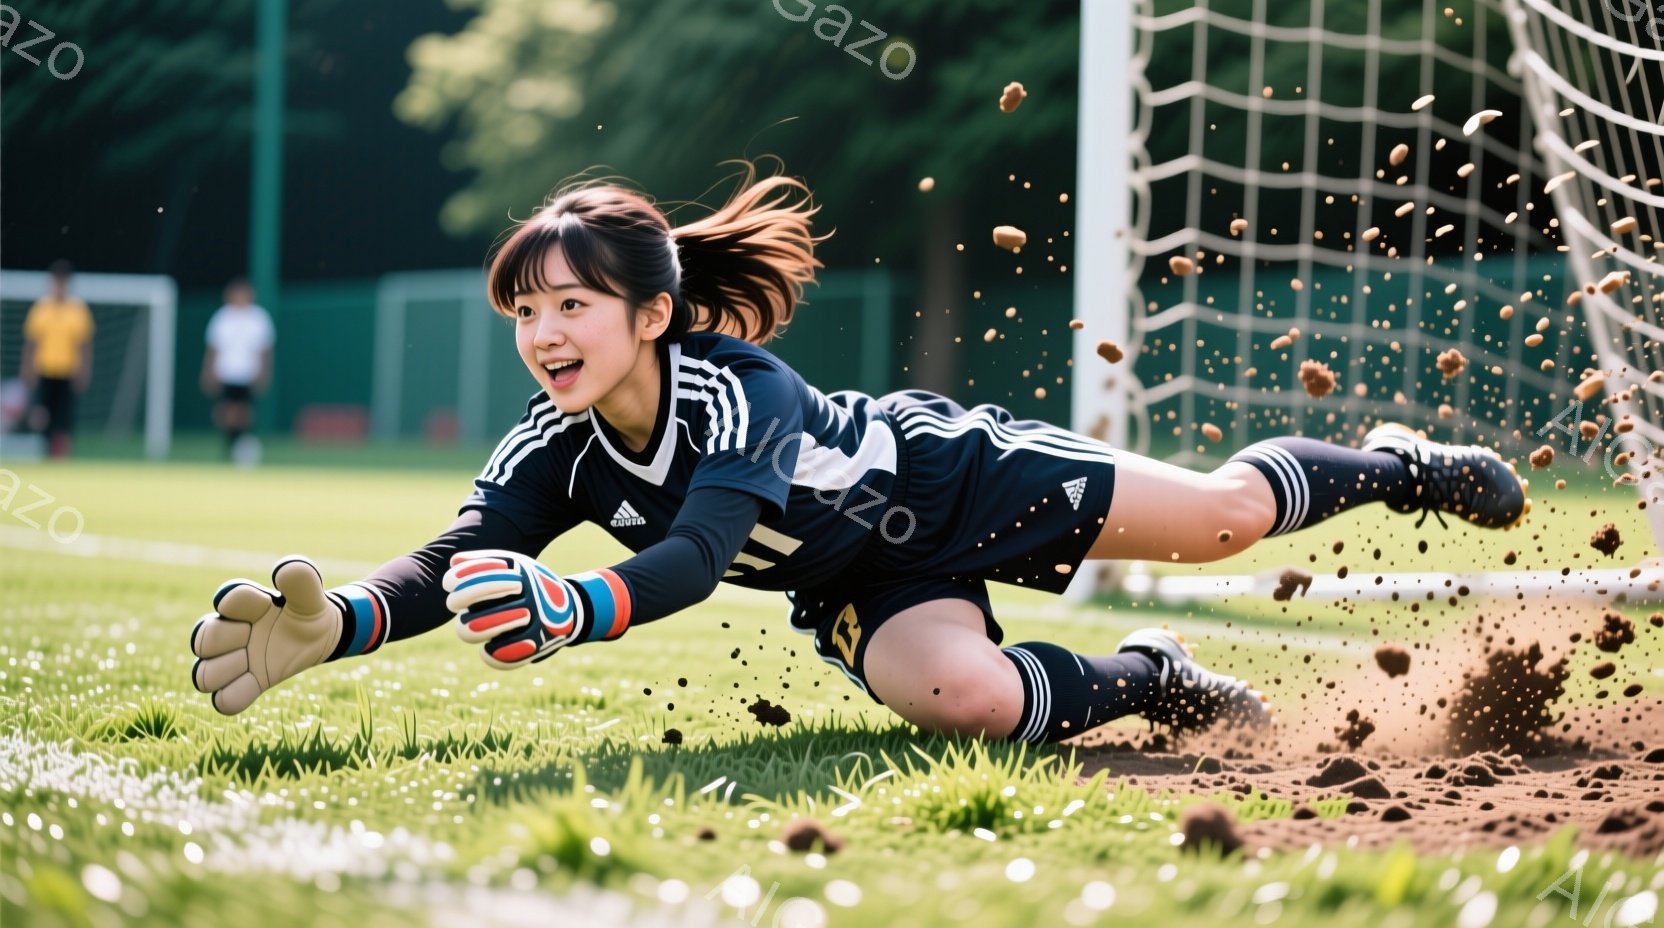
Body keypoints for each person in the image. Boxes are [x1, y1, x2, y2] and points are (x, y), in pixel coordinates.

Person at [189, 165, 1528, 744]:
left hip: (953, 477)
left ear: (653, 315)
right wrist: (351, 620)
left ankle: (1402, 463)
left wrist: (584, 603)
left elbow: (701, 554)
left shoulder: (741, 389)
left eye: (572, 306)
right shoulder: (554, 442)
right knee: (970, 706)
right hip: (863, 584)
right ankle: (1152, 677)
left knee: (1230, 519)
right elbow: (462, 558)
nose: (544, 333)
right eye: (526, 311)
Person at [21, 260, 95, 459]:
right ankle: (45, 453)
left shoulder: (77, 311)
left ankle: (62, 457)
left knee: (65, 418)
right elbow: (32, 343)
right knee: (42, 416)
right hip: (45, 370)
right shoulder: (41, 309)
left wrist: (84, 371)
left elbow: (84, 345)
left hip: (68, 371)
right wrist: (27, 370)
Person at [201, 278, 275, 464]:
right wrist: (208, 371)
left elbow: (264, 349)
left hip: (246, 373)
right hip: (226, 372)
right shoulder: (222, 317)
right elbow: (213, 348)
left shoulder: (258, 318)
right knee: (225, 411)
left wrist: (263, 371)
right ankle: (231, 443)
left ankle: (240, 444)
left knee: (242, 411)